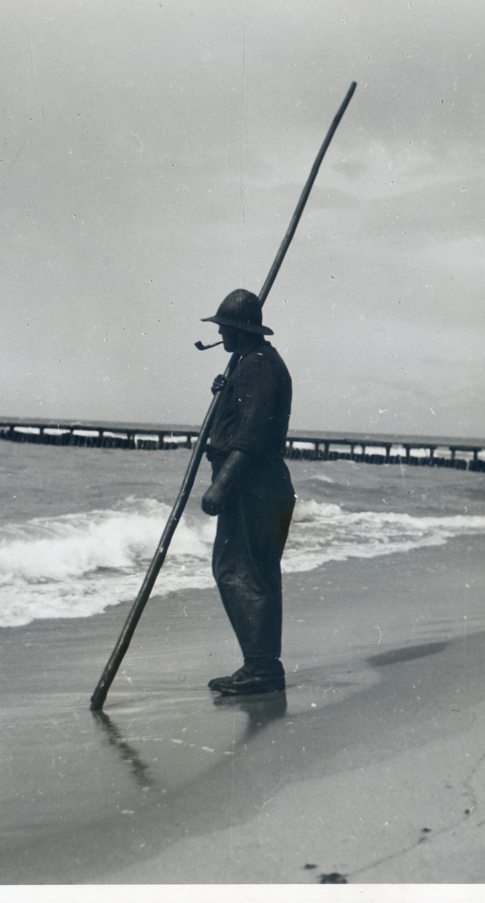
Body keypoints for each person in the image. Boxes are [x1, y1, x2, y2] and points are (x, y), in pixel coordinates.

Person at [200, 289, 295, 696]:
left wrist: (220, 485)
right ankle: (263, 666)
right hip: (265, 485)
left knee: (236, 570)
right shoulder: (254, 363)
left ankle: (260, 669)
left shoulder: (257, 367)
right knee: (257, 573)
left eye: (223, 327)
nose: (219, 332)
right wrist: (226, 389)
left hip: (250, 485)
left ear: (239, 330)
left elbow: (251, 437)